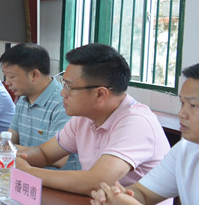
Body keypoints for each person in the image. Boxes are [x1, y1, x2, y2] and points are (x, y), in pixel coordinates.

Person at [16, 43, 169, 195]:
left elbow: (96, 182)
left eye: (69, 87)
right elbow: (44, 154)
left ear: (100, 94)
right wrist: (11, 158)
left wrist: (29, 172)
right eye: (64, 84)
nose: (63, 93)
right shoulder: (84, 117)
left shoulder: (136, 122)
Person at [89, 62, 199, 205]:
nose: (182, 113)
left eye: (194, 106)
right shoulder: (185, 148)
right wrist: (116, 198)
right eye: (182, 103)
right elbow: (144, 193)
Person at [0, 43, 79, 170]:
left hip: (52, 178)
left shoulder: (62, 103)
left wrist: (0, 147)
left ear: (34, 75)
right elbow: (12, 138)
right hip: (25, 172)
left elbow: (58, 160)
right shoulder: (24, 98)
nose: (7, 82)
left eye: (11, 77)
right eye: (6, 76)